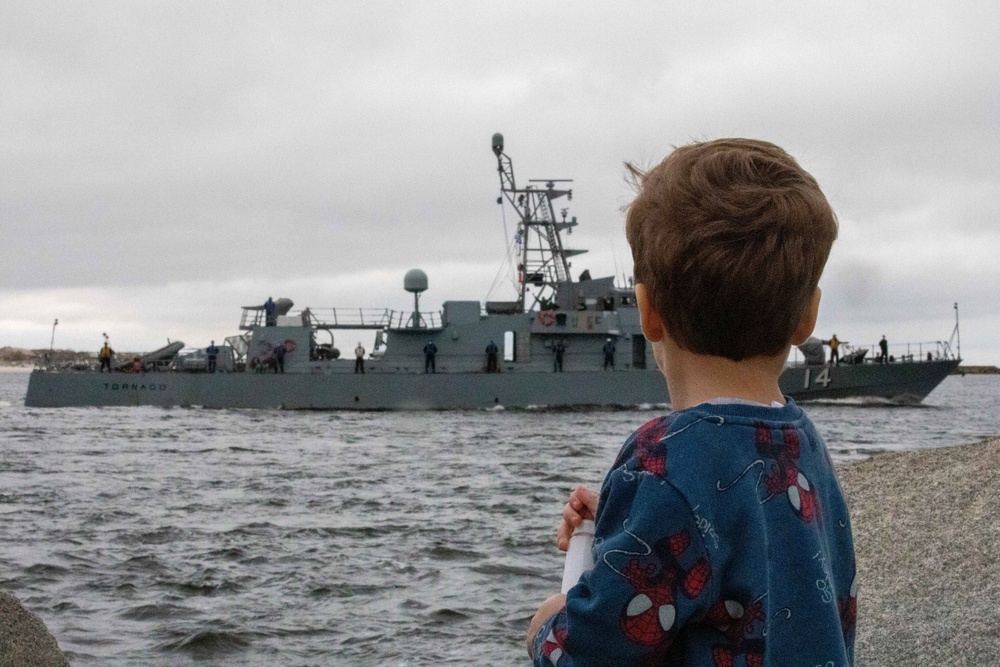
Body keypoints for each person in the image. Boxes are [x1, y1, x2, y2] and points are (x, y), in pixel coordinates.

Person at [527, 139, 855, 666]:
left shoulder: (663, 462)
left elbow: (586, 654)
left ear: (646, 311)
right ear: (807, 317)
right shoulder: (802, 440)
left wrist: (549, 623)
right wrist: (623, 511)